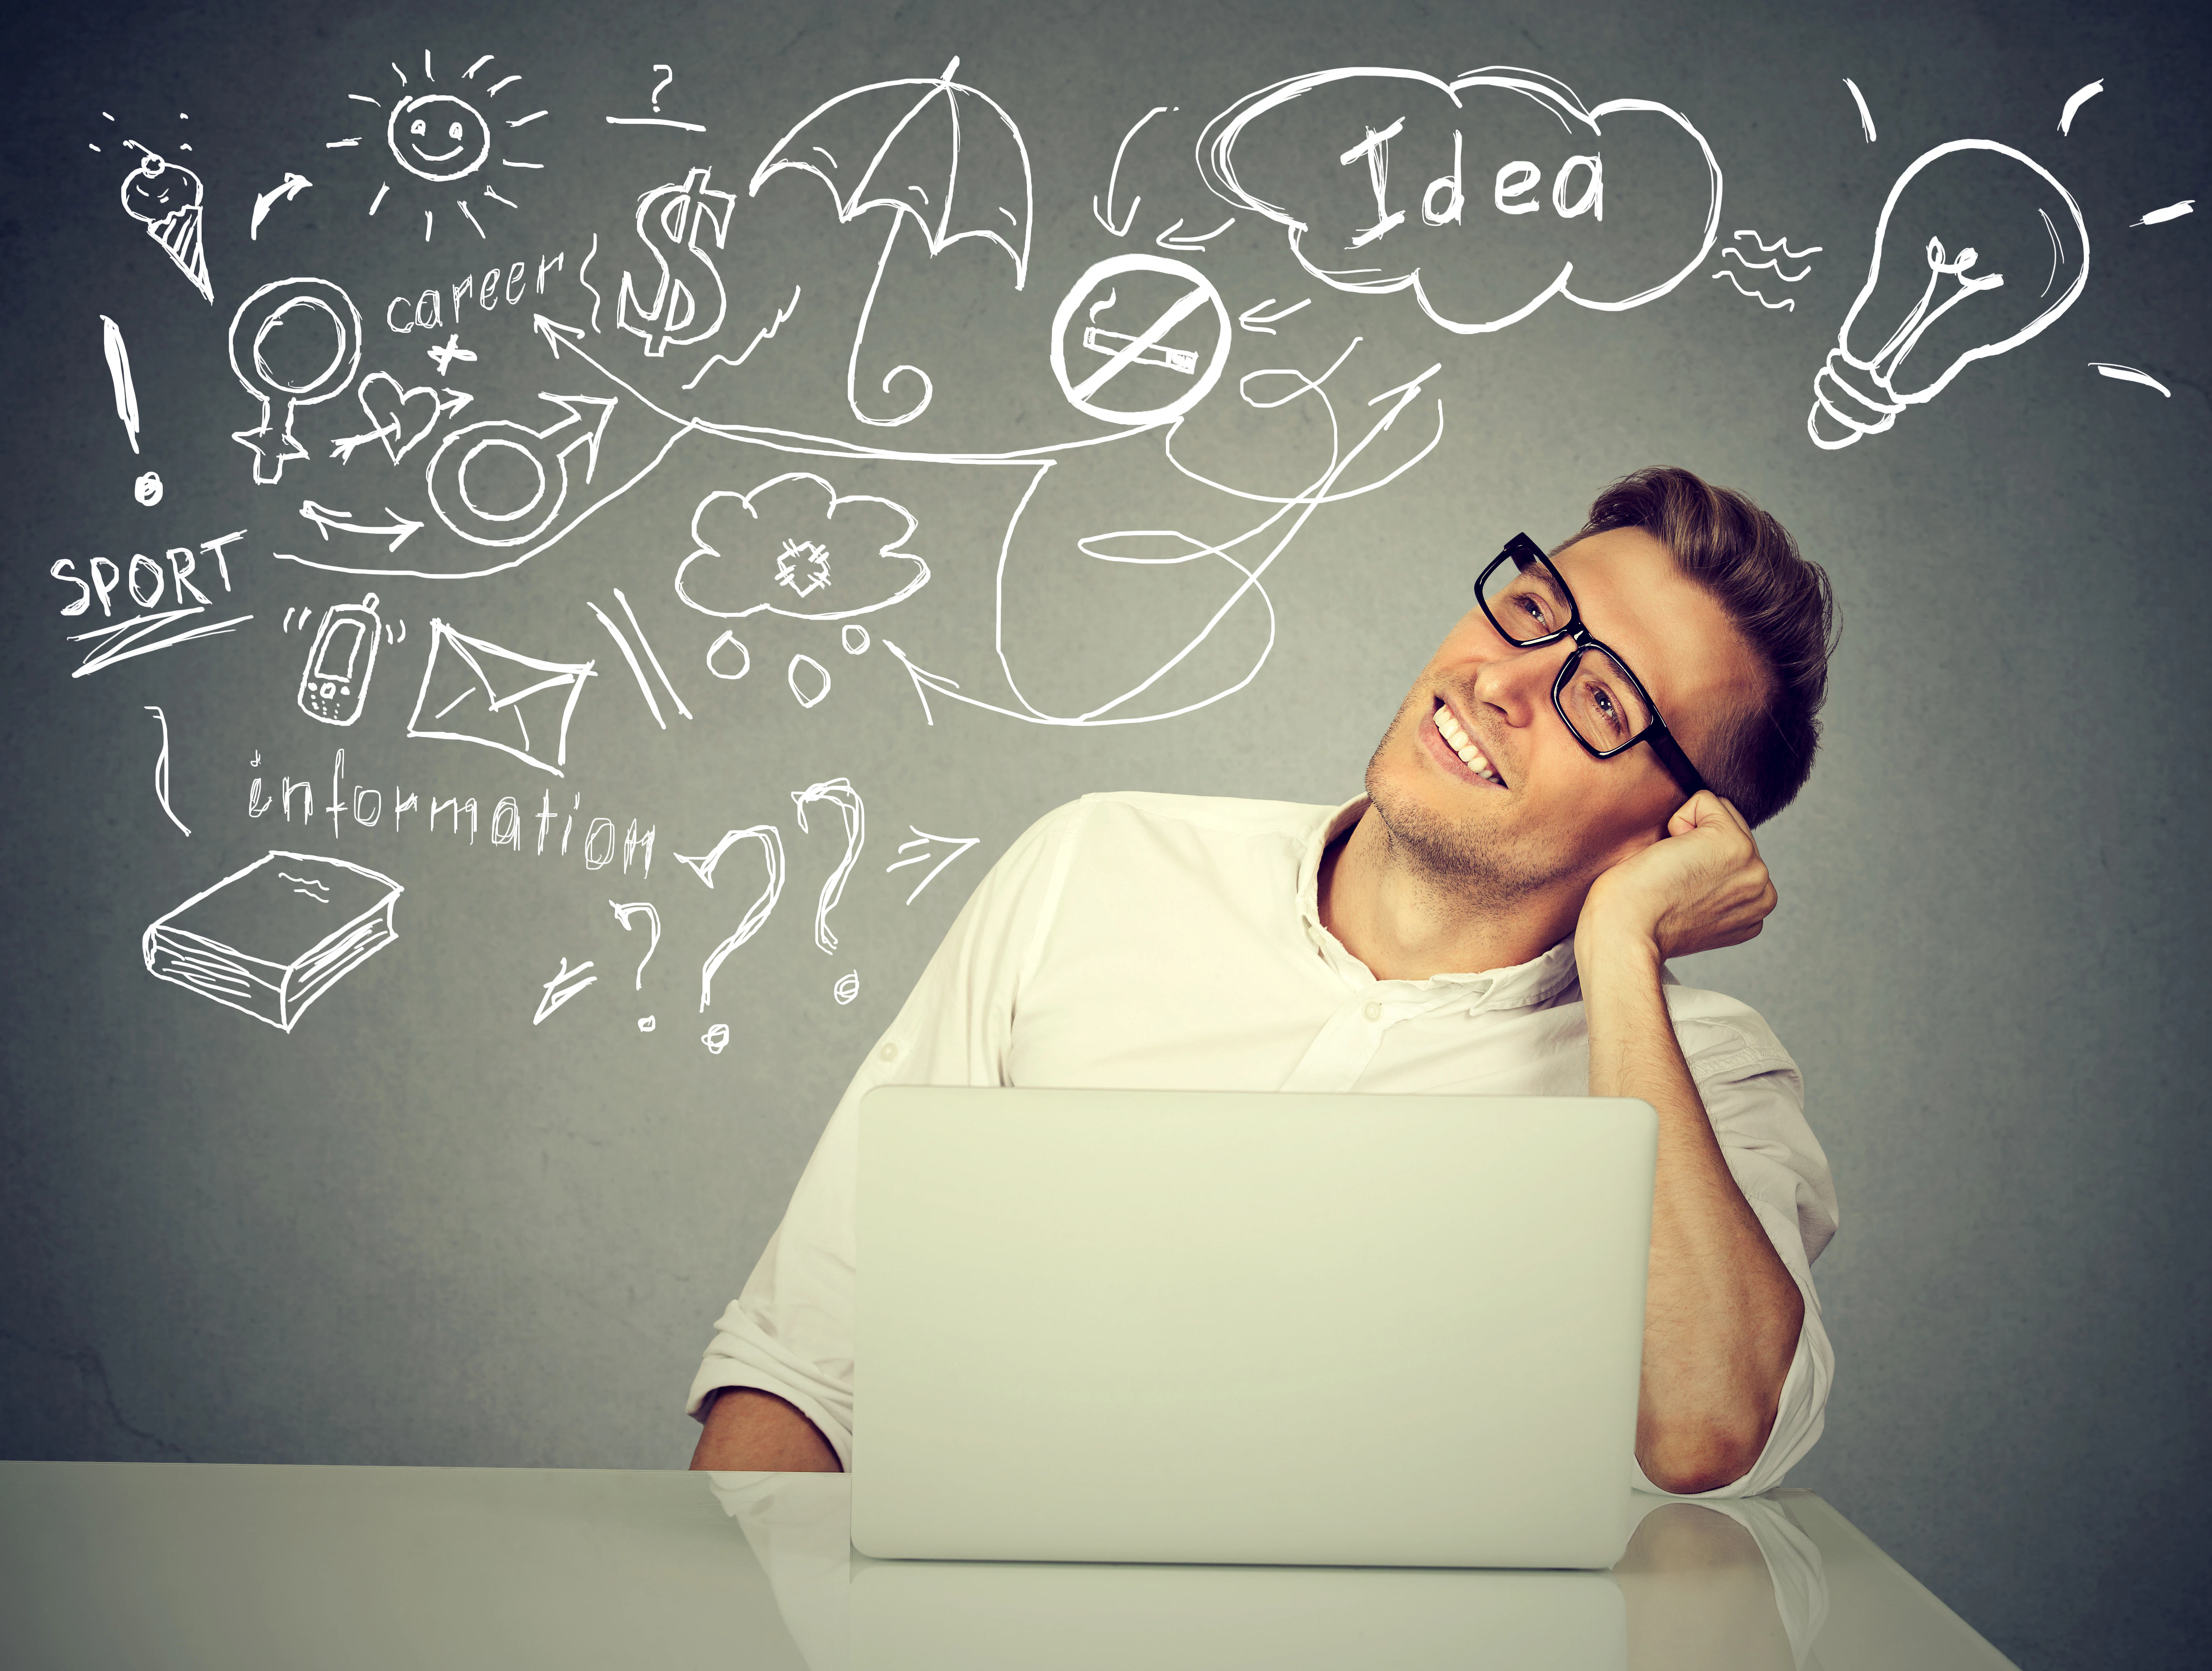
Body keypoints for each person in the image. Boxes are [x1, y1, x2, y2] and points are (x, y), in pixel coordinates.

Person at [688, 466, 1841, 1497]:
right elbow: (807, 1362)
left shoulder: (1708, 1079)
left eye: (1601, 701)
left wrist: (1621, 947)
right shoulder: (1094, 862)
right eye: (1536, 609)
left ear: (1677, 831)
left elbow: (1706, 1432)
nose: (1506, 680)